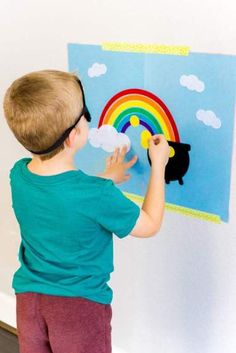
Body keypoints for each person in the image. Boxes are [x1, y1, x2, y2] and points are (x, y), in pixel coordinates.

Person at [3, 70, 170, 353]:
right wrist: (159, 165)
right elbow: (150, 224)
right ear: (74, 135)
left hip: (29, 302)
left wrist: (104, 179)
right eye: (86, 113)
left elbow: (64, 197)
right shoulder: (97, 194)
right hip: (78, 310)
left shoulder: (18, 175)